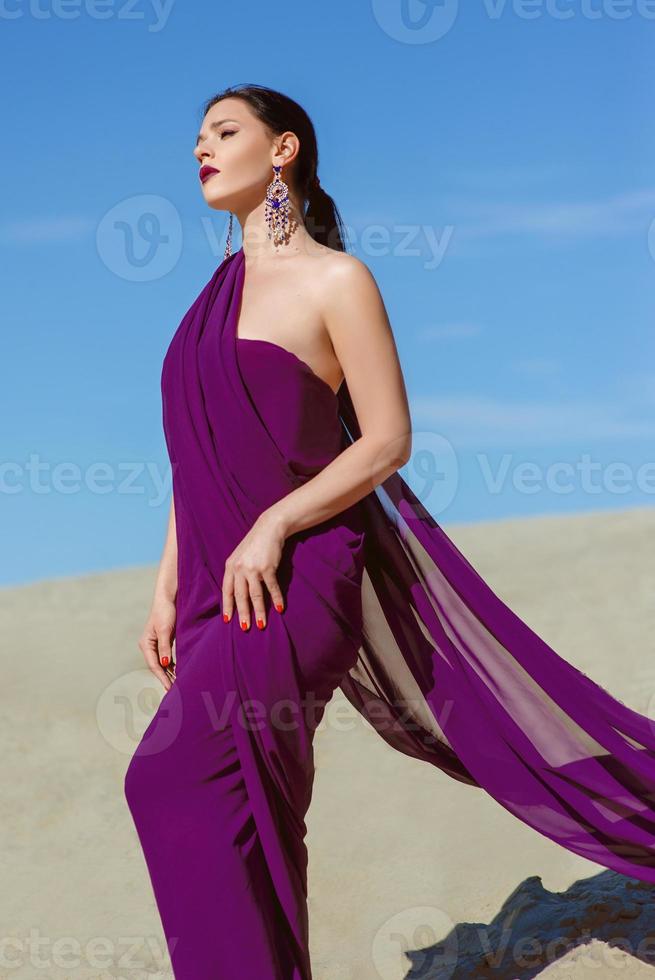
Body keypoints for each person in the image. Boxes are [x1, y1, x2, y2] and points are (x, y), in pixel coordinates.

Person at [124, 84, 655, 980]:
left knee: (171, 780)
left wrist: (275, 522)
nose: (199, 150)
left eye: (223, 132)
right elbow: (195, 459)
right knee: (248, 812)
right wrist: (167, 585)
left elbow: (386, 439)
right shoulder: (209, 301)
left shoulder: (336, 279)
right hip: (217, 590)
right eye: (197, 137)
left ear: (283, 149)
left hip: (292, 580)